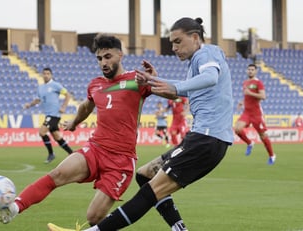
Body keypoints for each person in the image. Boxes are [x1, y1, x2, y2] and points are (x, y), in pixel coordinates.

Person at [55, 16, 234, 231]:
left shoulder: (207, 53)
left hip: (206, 138)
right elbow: (187, 87)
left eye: (178, 41)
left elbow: (210, 77)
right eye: (172, 43)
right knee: (145, 174)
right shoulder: (197, 61)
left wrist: (173, 88)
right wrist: (152, 81)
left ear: (195, 37)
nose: (174, 48)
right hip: (204, 138)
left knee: (151, 191)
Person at [0, 34, 171, 228]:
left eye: (108, 57)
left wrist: (153, 79)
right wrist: (74, 122)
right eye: (99, 58)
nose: (103, 63)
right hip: (96, 149)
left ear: (120, 55)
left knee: (94, 217)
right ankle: (16, 207)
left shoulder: (136, 80)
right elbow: (86, 106)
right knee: (57, 174)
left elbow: (169, 92)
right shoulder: (95, 84)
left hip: (121, 161)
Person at [23, 67, 73, 163]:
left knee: (42, 132)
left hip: (54, 114)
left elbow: (67, 95)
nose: (46, 75)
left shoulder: (55, 85)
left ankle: (51, 154)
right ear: (42, 75)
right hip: (48, 115)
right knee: (57, 137)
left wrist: (64, 107)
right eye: (44, 73)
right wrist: (29, 105)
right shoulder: (40, 88)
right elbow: (38, 100)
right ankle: (72, 153)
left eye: (48, 73)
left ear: (51, 75)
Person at [234, 64, 276, 165]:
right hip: (247, 112)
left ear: (256, 71)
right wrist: (242, 102)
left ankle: (272, 155)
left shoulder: (258, 83)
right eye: (249, 69)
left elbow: (263, 96)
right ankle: (250, 143)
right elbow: (247, 96)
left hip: (257, 114)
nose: (250, 71)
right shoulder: (245, 83)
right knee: (237, 129)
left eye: (252, 70)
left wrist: (250, 93)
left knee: (262, 135)